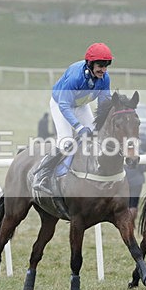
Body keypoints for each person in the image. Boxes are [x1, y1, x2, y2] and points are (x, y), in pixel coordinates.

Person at [32, 42, 114, 193]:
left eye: (106, 65)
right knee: (66, 141)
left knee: (96, 137)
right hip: (61, 104)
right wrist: (79, 127)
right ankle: (42, 176)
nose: (103, 70)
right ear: (90, 64)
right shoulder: (76, 77)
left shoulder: (105, 78)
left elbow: (104, 104)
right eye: (100, 66)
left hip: (81, 105)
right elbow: (64, 105)